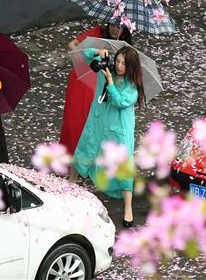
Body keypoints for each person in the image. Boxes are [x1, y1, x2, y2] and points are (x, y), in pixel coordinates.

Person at [69, 46, 144, 228]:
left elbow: (119, 101)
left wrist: (110, 81)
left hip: (118, 131)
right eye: (117, 61)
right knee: (85, 149)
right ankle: (70, 184)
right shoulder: (104, 69)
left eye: (123, 63)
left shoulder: (132, 86)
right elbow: (83, 54)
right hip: (97, 122)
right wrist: (97, 52)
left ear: (131, 66)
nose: (119, 66)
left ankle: (128, 208)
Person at [60, 22, 132, 155]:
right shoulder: (98, 33)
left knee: (99, 120)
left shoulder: (124, 45)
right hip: (84, 79)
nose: (114, 29)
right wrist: (84, 62)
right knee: (79, 117)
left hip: (105, 82)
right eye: (112, 25)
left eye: (119, 27)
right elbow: (72, 44)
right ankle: (75, 155)